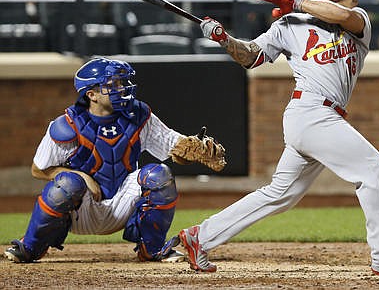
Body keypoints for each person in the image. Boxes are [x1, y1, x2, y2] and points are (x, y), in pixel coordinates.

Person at [177, 0, 379, 275]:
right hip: (311, 112)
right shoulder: (288, 25)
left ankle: (200, 237)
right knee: (371, 168)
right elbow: (251, 56)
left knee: (280, 194)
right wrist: (224, 39)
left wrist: (297, 2)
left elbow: (342, 16)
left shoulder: (358, 19)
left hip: (322, 117)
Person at [3, 57, 226, 263]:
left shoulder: (138, 115)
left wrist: (194, 150)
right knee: (68, 183)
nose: (122, 89)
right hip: (82, 207)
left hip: (123, 202)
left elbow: (173, 148)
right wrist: (80, 175)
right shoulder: (67, 124)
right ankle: (30, 247)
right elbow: (38, 170)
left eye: (122, 83)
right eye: (113, 85)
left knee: (159, 175)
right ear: (92, 94)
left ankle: (152, 248)